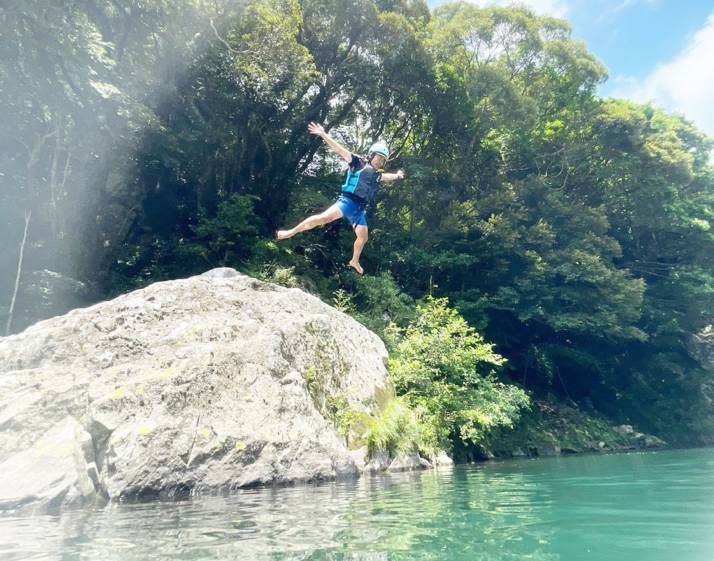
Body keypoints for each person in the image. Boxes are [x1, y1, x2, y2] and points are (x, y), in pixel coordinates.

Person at [276, 122, 405, 275]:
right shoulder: (358, 163)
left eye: (383, 160)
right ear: (370, 156)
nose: (381, 162)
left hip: (359, 209)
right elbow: (339, 150)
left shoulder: (377, 175)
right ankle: (290, 232)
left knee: (363, 237)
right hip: (347, 202)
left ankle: (354, 260)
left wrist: (397, 176)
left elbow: (386, 176)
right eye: (379, 158)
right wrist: (323, 134)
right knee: (323, 218)